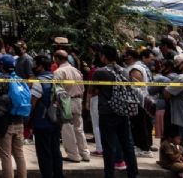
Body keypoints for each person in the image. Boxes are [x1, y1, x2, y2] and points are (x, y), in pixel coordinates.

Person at [93, 44, 138, 178]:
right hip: (123, 111)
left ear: (104, 56)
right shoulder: (124, 70)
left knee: (109, 146)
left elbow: (93, 91)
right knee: (127, 145)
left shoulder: (100, 72)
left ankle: (109, 174)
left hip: (107, 113)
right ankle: (133, 173)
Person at [0, 55, 27, 178]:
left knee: (6, 156)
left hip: (5, 124)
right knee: (19, 155)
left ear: (2, 66)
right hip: (19, 122)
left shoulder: (1, 80)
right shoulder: (19, 79)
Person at [30, 54, 64, 178]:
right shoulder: (55, 79)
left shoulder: (39, 82)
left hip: (42, 122)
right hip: (55, 121)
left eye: (35, 65)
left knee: (44, 154)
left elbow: (32, 103)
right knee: (55, 151)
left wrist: (27, 118)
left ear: (41, 67)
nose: (33, 67)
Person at [53, 49, 89, 162]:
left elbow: (57, 90)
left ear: (57, 59)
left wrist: (56, 103)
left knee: (67, 129)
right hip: (78, 100)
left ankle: (73, 155)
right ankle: (84, 153)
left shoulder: (59, 72)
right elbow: (83, 87)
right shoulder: (76, 70)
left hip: (66, 101)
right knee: (79, 129)